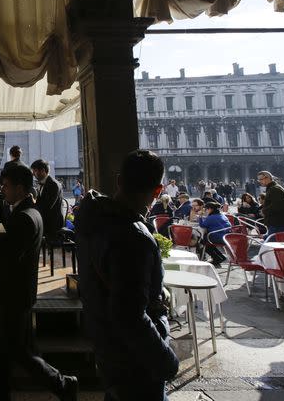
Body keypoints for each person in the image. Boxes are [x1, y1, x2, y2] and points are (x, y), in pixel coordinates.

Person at [75, 150, 178, 401]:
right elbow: (130, 316)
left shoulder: (93, 219)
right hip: (136, 361)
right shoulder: (134, 237)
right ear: (158, 191)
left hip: (107, 346)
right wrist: (166, 361)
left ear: (119, 181)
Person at [0, 164, 77, 401]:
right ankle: (1, 392)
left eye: (6, 186)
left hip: (13, 292)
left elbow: (7, 254)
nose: (3, 190)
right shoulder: (28, 212)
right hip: (16, 290)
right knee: (7, 349)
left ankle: (62, 383)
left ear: (19, 188)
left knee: (18, 350)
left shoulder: (25, 217)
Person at [31, 159, 63, 240]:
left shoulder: (53, 185)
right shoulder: (42, 183)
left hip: (52, 222)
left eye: (34, 171)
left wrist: (33, 204)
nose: (33, 174)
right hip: (45, 218)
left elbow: (47, 207)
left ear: (42, 171)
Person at [198, 202, 230, 266]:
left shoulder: (211, 217)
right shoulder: (222, 215)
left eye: (206, 209)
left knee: (201, 241)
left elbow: (202, 225)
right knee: (207, 242)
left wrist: (200, 217)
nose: (206, 211)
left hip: (218, 237)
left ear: (210, 209)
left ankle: (216, 258)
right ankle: (220, 257)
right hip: (227, 237)